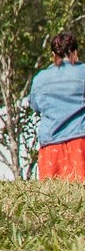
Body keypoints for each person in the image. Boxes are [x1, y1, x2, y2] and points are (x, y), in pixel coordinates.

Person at [28, 32, 85, 181]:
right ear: (75, 52)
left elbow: (35, 105)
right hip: (81, 143)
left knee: (54, 199)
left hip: (51, 147)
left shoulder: (40, 78)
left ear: (54, 54)